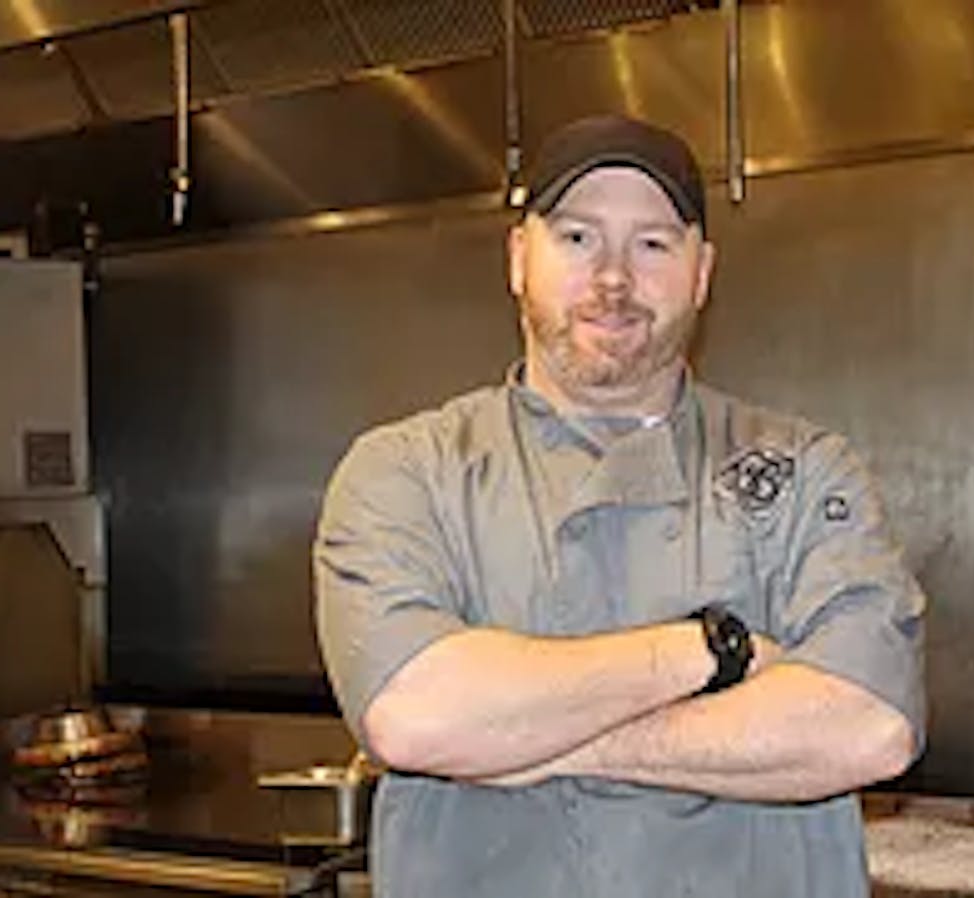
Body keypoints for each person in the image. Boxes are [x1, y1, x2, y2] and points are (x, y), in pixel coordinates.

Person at [314, 114, 927, 898]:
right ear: (517, 258)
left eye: (652, 244)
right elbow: (417, 716)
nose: (612, 278)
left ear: (702, 272)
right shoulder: (405, 472)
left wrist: (532, 743)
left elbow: (869, 725)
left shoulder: (805, 470)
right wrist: (710, 653)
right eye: (576, 238)